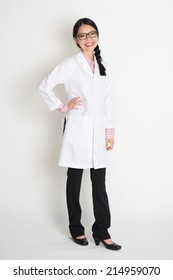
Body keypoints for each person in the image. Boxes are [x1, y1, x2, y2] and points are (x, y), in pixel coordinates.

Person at [37, 17, 121, 251]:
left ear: (97, 36)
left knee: (99, 183)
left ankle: (102, 230)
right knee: (74, 182)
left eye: (91, 34)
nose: (88, 39)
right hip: (77, 128)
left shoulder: (103, 64)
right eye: (82, 35)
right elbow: (44, 85)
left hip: (98, 132)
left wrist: (109, 131)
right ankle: (76, 228)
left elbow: (107, 102)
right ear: (75, 39)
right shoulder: (70, 64)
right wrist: (63, 107)